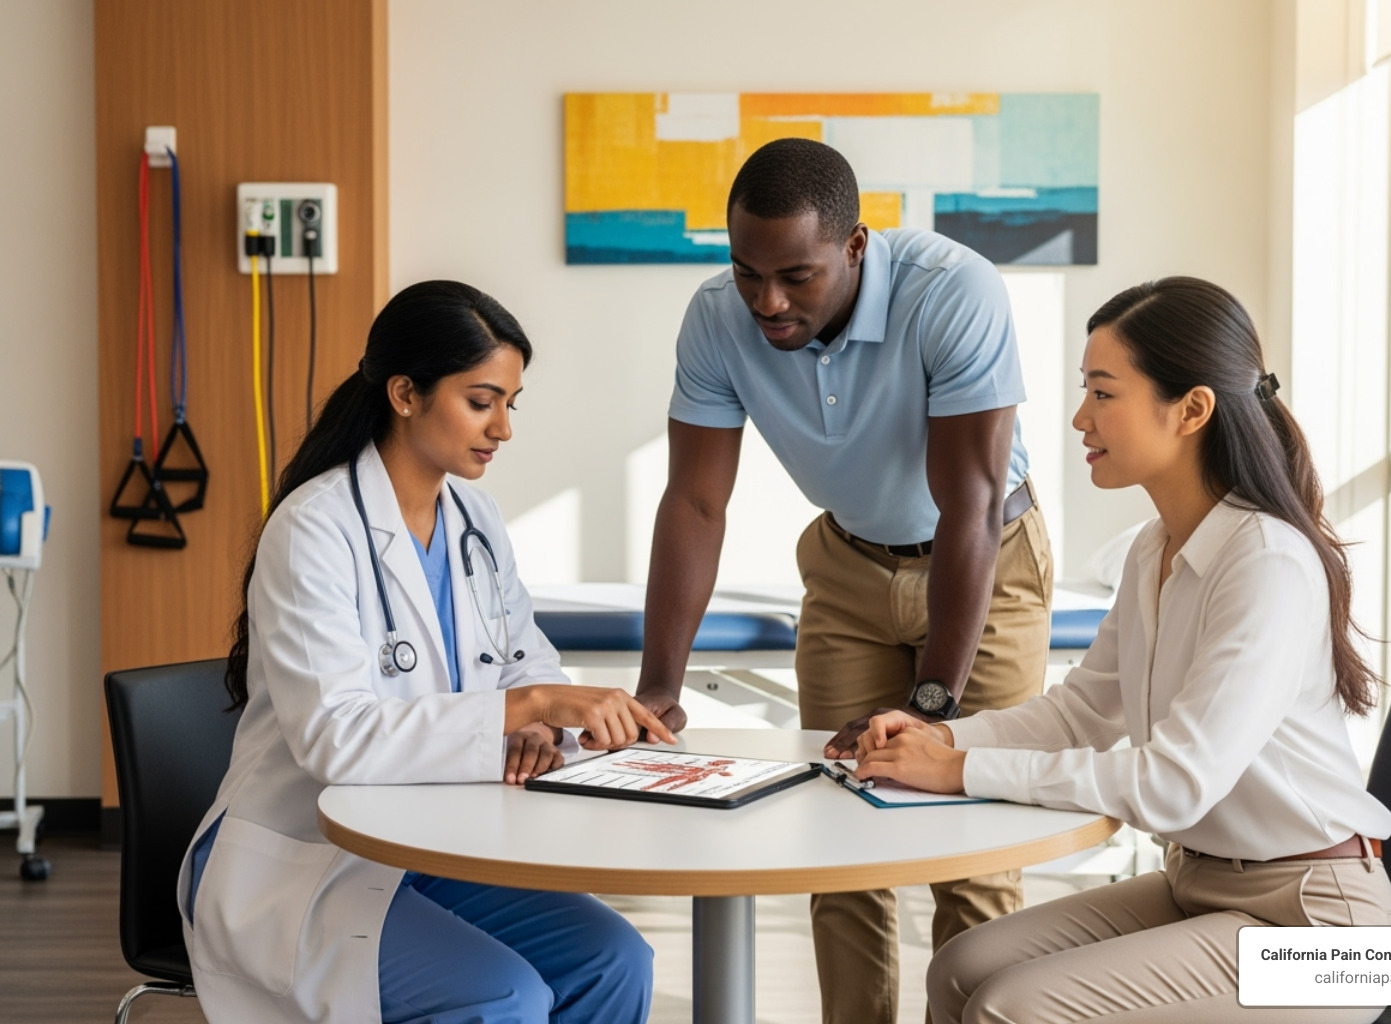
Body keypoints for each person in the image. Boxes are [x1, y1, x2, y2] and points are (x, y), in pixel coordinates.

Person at [855, 277, 1391, 1024]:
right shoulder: (1156, 548)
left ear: (1192, 409)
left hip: (1318, 922)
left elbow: (1175, 784)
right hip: (1199, 884)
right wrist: (941, 736)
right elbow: (1083, 710)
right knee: (961, 969)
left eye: (1104, 394)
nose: (1082, 417)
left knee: (1011, 1008)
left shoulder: (1266, 563)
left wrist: (960, 771)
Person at [634, 138, 1054, 1024]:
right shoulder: (717, 317)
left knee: (969, 848)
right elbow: (695, 504)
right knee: (837, 838)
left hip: (985, 562)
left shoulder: (953, 291)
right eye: (747, 272)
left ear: (856, 246)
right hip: (847, 567)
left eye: (796, 275)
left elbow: (969, 505)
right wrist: (658, 690)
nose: (767, 302)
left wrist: (931, 707)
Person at [178, 281, 676, 1024]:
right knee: (503, 996)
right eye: (482, 401)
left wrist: (539, 719)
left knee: (616, 960)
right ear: (405, 393)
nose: (503, 428)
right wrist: (528, 706)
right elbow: (334, 739)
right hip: (305, 860)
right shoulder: (314, 530)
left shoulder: (474, 516)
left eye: (511, 403)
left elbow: (521, 656)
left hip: (436, 844)